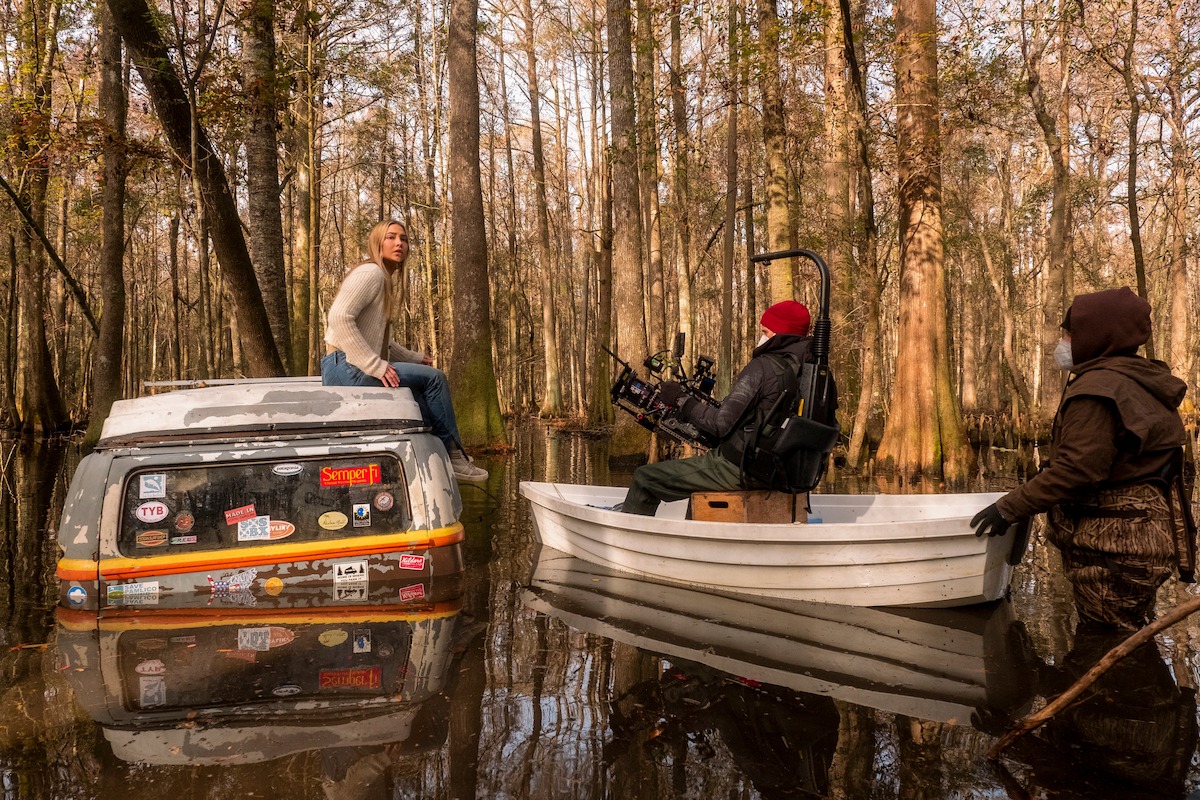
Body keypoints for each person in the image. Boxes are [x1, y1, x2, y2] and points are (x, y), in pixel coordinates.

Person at [971, 287, 1194, 629]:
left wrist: (1008, 508)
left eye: (1068, 334)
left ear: (1096, 336)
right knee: (1127, 643)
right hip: (1141, 540)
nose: (1061, 343)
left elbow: (1077, 471)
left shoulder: (1099, 390)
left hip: (1116, 547)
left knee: (1106, 651)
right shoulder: (1137, 380)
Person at [321, 220, 487, 482]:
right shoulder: (371, 274)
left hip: (348, 364)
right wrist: (376, 365)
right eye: (391, 237)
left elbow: (378, 342)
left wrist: (416, 358)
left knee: (421, 398)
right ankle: (454, 456)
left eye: (404, 239)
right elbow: (340, 318)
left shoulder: (382, 278)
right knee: (435, 379)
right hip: (345, 366)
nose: (399, 243)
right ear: (378, 243)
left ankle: (435, 461)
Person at [622, 300, 822, 515]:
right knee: (698, 480)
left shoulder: (764, 367)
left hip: (746, 469)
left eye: (765, 331)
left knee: (645, 478)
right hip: (789, 473)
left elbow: (720, 424)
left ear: (780, 333)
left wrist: (679, 399)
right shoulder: (817, 373)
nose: (762, 336)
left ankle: (629, 544)